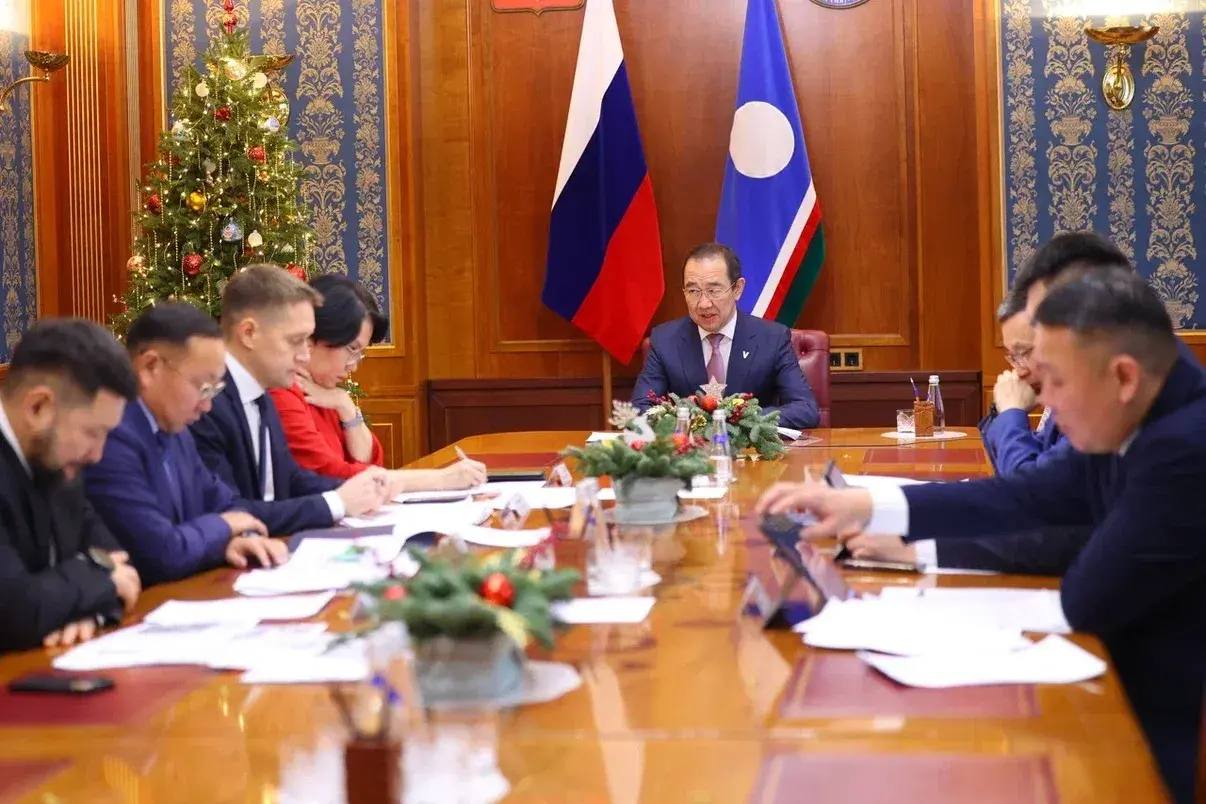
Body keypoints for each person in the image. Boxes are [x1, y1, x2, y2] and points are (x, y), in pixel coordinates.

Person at [757, 269, 1206, 803]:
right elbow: (1029, 494)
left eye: (1056, 382)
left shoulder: (1184, 452)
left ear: (1123, 377)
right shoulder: (1146, 405)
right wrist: (866, 506)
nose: (1046, 403)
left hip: (1146, 740)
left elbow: (1083, 597)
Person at [84, 303, 289, 585]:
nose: (207, 406)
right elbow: (161, 553)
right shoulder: (111, 436)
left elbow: (224, 502)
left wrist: (242, 537)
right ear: (151, 367)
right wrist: (224, 527)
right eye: (203, 387)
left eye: (215, 390)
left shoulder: (175, 427)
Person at [190, 264, 390, 534]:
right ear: (248, 333)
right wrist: (336, 503)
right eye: (296, 341)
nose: (305, 356)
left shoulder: (261, 393)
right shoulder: (206, 402)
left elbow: (289, 478)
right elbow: (227, 512)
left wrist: (356, 492)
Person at [0, 319, 142, 650]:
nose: (98, 454)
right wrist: (96, 581)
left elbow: (123, 569)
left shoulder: (58, 463)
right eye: (92, 432)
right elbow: (13, 610)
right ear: (38, 407)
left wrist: (90, 612)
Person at [270, 274, 485, 491]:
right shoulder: (280, 393)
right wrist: (439, 480)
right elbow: (331, 478)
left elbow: (370, 463)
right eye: (352, 349)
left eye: (360, 354)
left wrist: (346, 407)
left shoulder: (326, 392)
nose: (353, 366)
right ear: (312, 336)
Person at [631, 242, 819, 429]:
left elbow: (805, 409)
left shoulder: (772, 338)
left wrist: (739, 420)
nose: (704, 304)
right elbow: (639, 410)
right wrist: (691, 424)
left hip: (752, 446)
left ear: (737, 289)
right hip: (690, 446)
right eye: (693, 291)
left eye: (713, 290)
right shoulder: (665, 340)